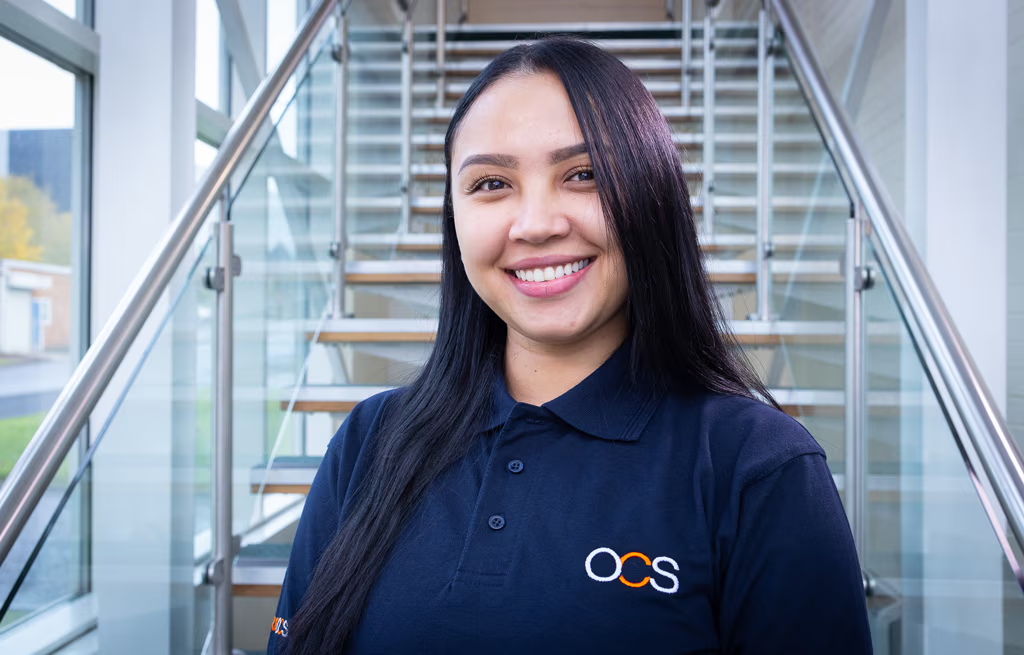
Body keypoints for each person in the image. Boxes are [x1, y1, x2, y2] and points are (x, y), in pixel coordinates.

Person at [267, 35, 873, 654]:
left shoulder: (756, 466)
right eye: (491, 184)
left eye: (582, 175)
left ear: (650, 197)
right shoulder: (370, 441)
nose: (535, 224)